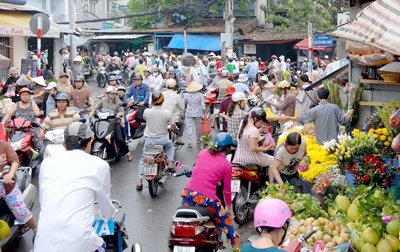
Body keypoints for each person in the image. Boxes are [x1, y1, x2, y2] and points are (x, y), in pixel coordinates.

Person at [34, 122, 116, 251]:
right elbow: (106, 205)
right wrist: (109, 217)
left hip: (43, 244)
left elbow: (44, 200)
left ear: (64, 144)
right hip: (80, 244)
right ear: (89, 143)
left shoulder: (47, 164)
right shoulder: (99, 165)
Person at [181, 133, 240, 249]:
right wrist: (230, 209)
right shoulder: (226, 165)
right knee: (230, 229)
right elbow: (227, 190)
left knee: (179, 222)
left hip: (188, 195)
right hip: (208, 201)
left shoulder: (202, 153)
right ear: (228, 148)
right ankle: (236, 248)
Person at [282, 88, 354, 145]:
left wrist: (289, 118)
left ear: (317, 96)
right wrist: (351, 113)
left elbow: (302, 119)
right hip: (334, 142)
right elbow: (344, 121)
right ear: (328, 96)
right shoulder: (335, 108)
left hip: (321, 143)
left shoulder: (314, 110)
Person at [136, 91, 176, 190]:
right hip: (163, 139)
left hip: (149, 141)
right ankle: (170, 163)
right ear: (162, 101)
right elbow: (173, 126)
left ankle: (139, 181)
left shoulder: (146, 112)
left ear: (152, 101)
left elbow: (146, 120)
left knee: (143, 158)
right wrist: (170, 129)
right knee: (170, 146)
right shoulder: (167, 113)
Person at [0, 140, 37, 240]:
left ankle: (36, 231)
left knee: (20, 210)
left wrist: (11, 173)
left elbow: (15, 161)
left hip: (7, 185)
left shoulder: (4, 145)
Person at [232, 108, 278, 179]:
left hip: (238, 157)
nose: (261, 124)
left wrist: (259, 131)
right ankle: (271, 186)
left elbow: (248, 135)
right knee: (275, 161)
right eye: (261, 122)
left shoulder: (243, 123)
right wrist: (266, 149)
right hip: (251, 158)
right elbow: (253, 148)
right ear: (255, 118)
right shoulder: (254, 131)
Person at [95, 86, 132, 161]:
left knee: (119, 139)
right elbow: (96, 108)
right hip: (104, 122)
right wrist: (94, 113)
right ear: (108, 94)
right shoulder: (103, 101)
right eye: (111, 94)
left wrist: (119, 115)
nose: (113, 95)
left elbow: (122, 111)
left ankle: (127, 152)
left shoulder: (118, 101)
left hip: (115, 122)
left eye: (114, 94)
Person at [183, 82, 206, 148]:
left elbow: (183, 104)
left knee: (189, 127)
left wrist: (183, 111)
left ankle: (189, 142)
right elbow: (202, 105)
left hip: (189, 112)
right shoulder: (200, 95)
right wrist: (205, 112)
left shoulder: (186, 95)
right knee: (198, 127)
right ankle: (198, 139)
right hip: (198, 113)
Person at [162, 79, 184, 145]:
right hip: (174, 118)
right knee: (182, 124)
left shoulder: (162, 94)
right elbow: (182, 107)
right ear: (175, 86)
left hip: (162, 117)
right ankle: (179, 139)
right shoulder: (177, 96)